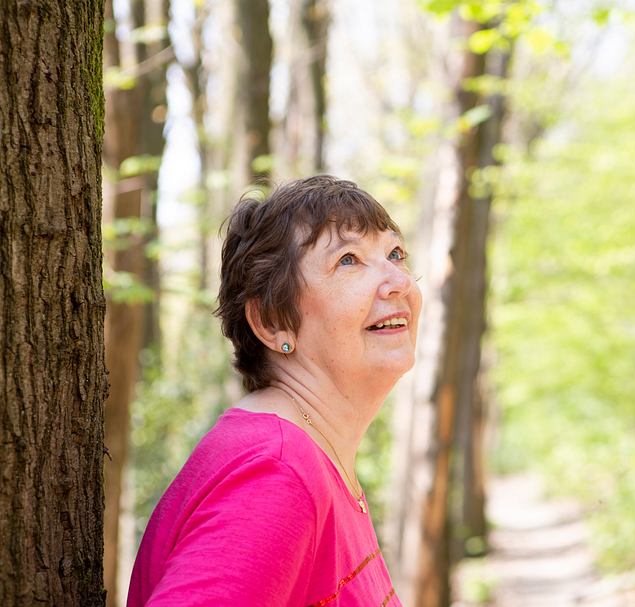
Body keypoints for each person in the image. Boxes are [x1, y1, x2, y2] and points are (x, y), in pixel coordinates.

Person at [126, 175, 420, 606]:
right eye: (348, 260)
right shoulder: (277, 474)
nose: (399, 281)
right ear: (271, 322)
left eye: (395, 253)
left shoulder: (311, 459)